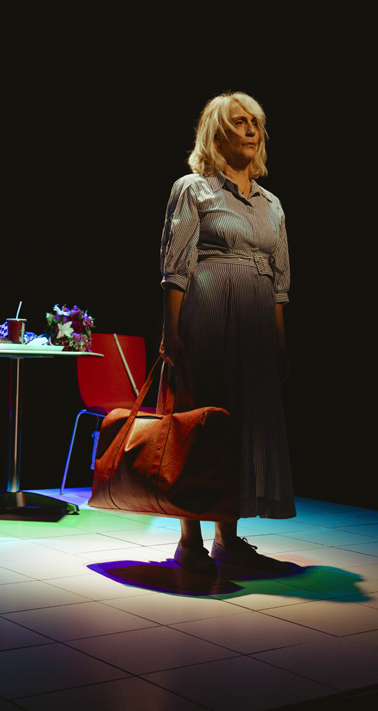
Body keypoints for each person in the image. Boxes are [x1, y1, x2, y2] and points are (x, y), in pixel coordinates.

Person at [159, 91, 294, 574]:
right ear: (216, 133)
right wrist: (170, 331)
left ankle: (227, 539)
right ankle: (189, 540)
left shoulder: (271, 203)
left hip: (255, 323)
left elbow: (280, 282)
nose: (250, 129)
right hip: (209, 315)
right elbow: (175, 266)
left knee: (242, 426)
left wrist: (280, 343)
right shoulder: (193, 189)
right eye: (239, 121)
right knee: (202, 423)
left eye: (255, 121)